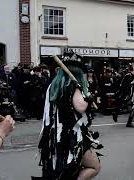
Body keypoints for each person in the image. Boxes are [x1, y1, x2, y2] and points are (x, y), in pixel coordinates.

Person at [34, 51, 101, 180]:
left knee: (64, 170)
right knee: (94, 167)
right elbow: (80, 107)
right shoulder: (73, 86)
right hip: (71, 137)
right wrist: (89, 99)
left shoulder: (54, 85)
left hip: (55, 137)